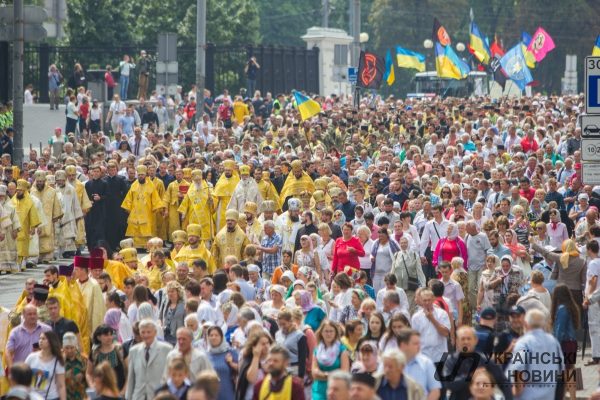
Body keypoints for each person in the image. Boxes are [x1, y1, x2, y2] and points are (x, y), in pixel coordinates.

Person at [507, 309, 565, 400]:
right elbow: (561, 370)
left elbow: (518, 368)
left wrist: (517, 390)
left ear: (525, 324)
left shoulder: (523, 343)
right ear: (544, 325)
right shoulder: (554, 341)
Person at [126, 319, 173, 400]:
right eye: (143, 332)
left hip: (158, 396)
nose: (146, 335)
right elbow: (131, 378)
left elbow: (169, 376)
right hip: (138, 396)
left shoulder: (167, 349)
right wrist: (128, 397)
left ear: (155, 332)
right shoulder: (133, 351)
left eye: (148, 332)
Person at [120, 164, 165, 248]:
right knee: (135, 229)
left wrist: (156, 208)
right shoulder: (134, 185)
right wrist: (127, 208)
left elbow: (155, 198)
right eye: (139, 175)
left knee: (146, 229)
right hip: (135, 212)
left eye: (142, 175)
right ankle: (137, 246)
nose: (140, 176)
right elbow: (129, 198)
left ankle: (146, 246)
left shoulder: (151, 185)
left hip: (147, 212)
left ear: (145, 175)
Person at [551, 284, 580, 400]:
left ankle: (563, 396)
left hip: (564, 344)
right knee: (569, 370)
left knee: (562, 372)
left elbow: (559, 330)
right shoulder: (571, 307)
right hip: (571, 343)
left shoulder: (562, 308)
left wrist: (554, 345)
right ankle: (572, 397)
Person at [312, 320, 350, 400]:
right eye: (326, 331)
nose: (328, 334)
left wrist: (322, 375)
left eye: (331, 331)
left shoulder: (342, 350)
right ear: (321, 333)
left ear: (335, 332)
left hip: (337, 391)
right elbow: (314, 374)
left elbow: (344, 374)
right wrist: (333, 374)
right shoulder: (317, 350)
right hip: (318, 390)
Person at [410, 288, 450, 363]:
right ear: (421, 301)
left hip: (439, 355)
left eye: (429, 300)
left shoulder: (442, 314)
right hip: (423, 356)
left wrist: (432, 319)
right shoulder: (416, 317)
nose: (427, 302)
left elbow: (445, 333)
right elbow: (414, 338)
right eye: (425, 300)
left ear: (433, 299)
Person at [24, 330, 67, 400]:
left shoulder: (57, 361)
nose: (40, 341)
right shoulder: (31, 357)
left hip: (51, 397)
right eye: (40, 338)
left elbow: (61, 385)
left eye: (43, 339)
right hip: (32, 397)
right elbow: (23, 377)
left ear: (51, 341)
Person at [235, 330, 272, 400]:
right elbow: (252, 379)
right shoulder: (248, 360)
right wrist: (256, 356)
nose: (266, 346)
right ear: (254, 346)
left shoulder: (273, 359)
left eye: (267, 343)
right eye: (263, 344)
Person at [206, 325, 238, 400]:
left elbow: (241, 369)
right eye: (211, 335)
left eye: (216, 335)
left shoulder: (230, 352)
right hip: (210, 395)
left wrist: (231, 363)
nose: (213, 337)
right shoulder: (205, 355)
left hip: (227, 393)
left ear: (221, 337)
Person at [158, 281, 186, 346]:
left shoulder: (184, 305)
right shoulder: (165, 303)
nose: (170, 294)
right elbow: (160, 317)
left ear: (178, 292)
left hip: (178, 337)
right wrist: (160, 326)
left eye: (172, 291)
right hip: (165, 336)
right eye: (168, 291)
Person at [62, 332, 87, 400]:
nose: (69, 350)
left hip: (80, 396)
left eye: (72, 348)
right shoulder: (59, 360)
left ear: (76, 347)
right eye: (67, 348)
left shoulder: (84, 359)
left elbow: (90, 377)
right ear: (63, 347)